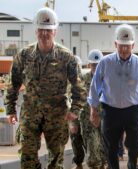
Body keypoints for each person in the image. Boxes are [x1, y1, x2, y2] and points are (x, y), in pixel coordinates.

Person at [5, 7, 85, 169]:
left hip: (57, 115)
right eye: (41, 29)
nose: (44, 33)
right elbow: (13, 83)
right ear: (36, 31)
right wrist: (10, 109)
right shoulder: (24, 55)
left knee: (56, 160)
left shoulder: (66, 57)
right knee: (27, 157)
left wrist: (75, 110)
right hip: (30, 113)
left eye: (48, 30)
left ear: (55, 32)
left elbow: (79, 87)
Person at [88, 24, 138, 169]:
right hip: (111, 111)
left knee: (135, 146)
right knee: (110, 148)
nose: (124, 50)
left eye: (128, 46)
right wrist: (93, 110)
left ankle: (131, 165)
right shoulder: (105, 63)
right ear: (115, 44)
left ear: (133, 45)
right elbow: (95, 86)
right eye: (121, 46)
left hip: (133, 110)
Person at [81, 49, 107, 169]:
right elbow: (75, 97)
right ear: (89, 65)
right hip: (88, 120)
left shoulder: (109, 80)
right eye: (93, 64)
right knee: (93, 153)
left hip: (105, 120)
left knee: (104, 152)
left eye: (98, 64)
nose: (95, 67)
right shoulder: (82, 79)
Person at [69, 55, 86, 169]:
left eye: (78, 66)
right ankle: (79, 163)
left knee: (90, 141)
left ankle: (96, 161)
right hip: (74, 117)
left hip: (86, 116)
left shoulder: (87, 79)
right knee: (75, 140)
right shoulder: (68, 82)